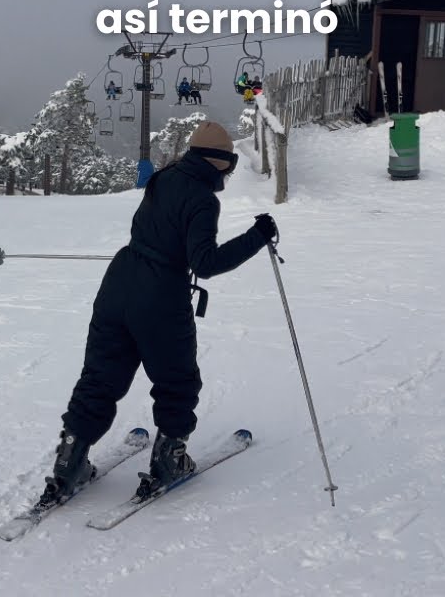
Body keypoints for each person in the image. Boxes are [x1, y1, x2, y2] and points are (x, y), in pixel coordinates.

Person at [45, 121, 278, 502]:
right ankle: (169, 461)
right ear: (219, 162)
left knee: (100, 377)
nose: (232, 172)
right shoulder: (204, 199)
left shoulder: (163, 178)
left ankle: (68, 464)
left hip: (117, 285)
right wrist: (257, 237)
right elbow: (204, 262)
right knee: (177, 380)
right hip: (160, 298)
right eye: (231, 164)